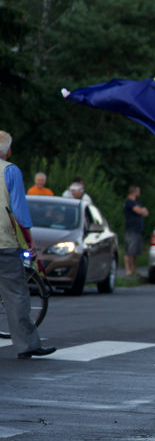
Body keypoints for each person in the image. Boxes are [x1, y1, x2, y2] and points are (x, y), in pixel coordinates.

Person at [0, 132, 55, 359]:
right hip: (4, 243)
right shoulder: (10, 171)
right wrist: (30, 243)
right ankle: (27, 346)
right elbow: (19, 212)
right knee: (16, 295)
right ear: (8, 151)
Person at [123, 186, 149, 277]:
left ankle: (134, 270)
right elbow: (139, 211)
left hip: (137, 230)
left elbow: (146, 213)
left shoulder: (136, 202)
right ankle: (128, 270)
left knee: (134, 252)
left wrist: (142, 210)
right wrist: (142, 210)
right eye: (139, 191)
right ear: (135, 192)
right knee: (129, 251)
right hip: (131, 230)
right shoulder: (129, 202)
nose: (139, 193)